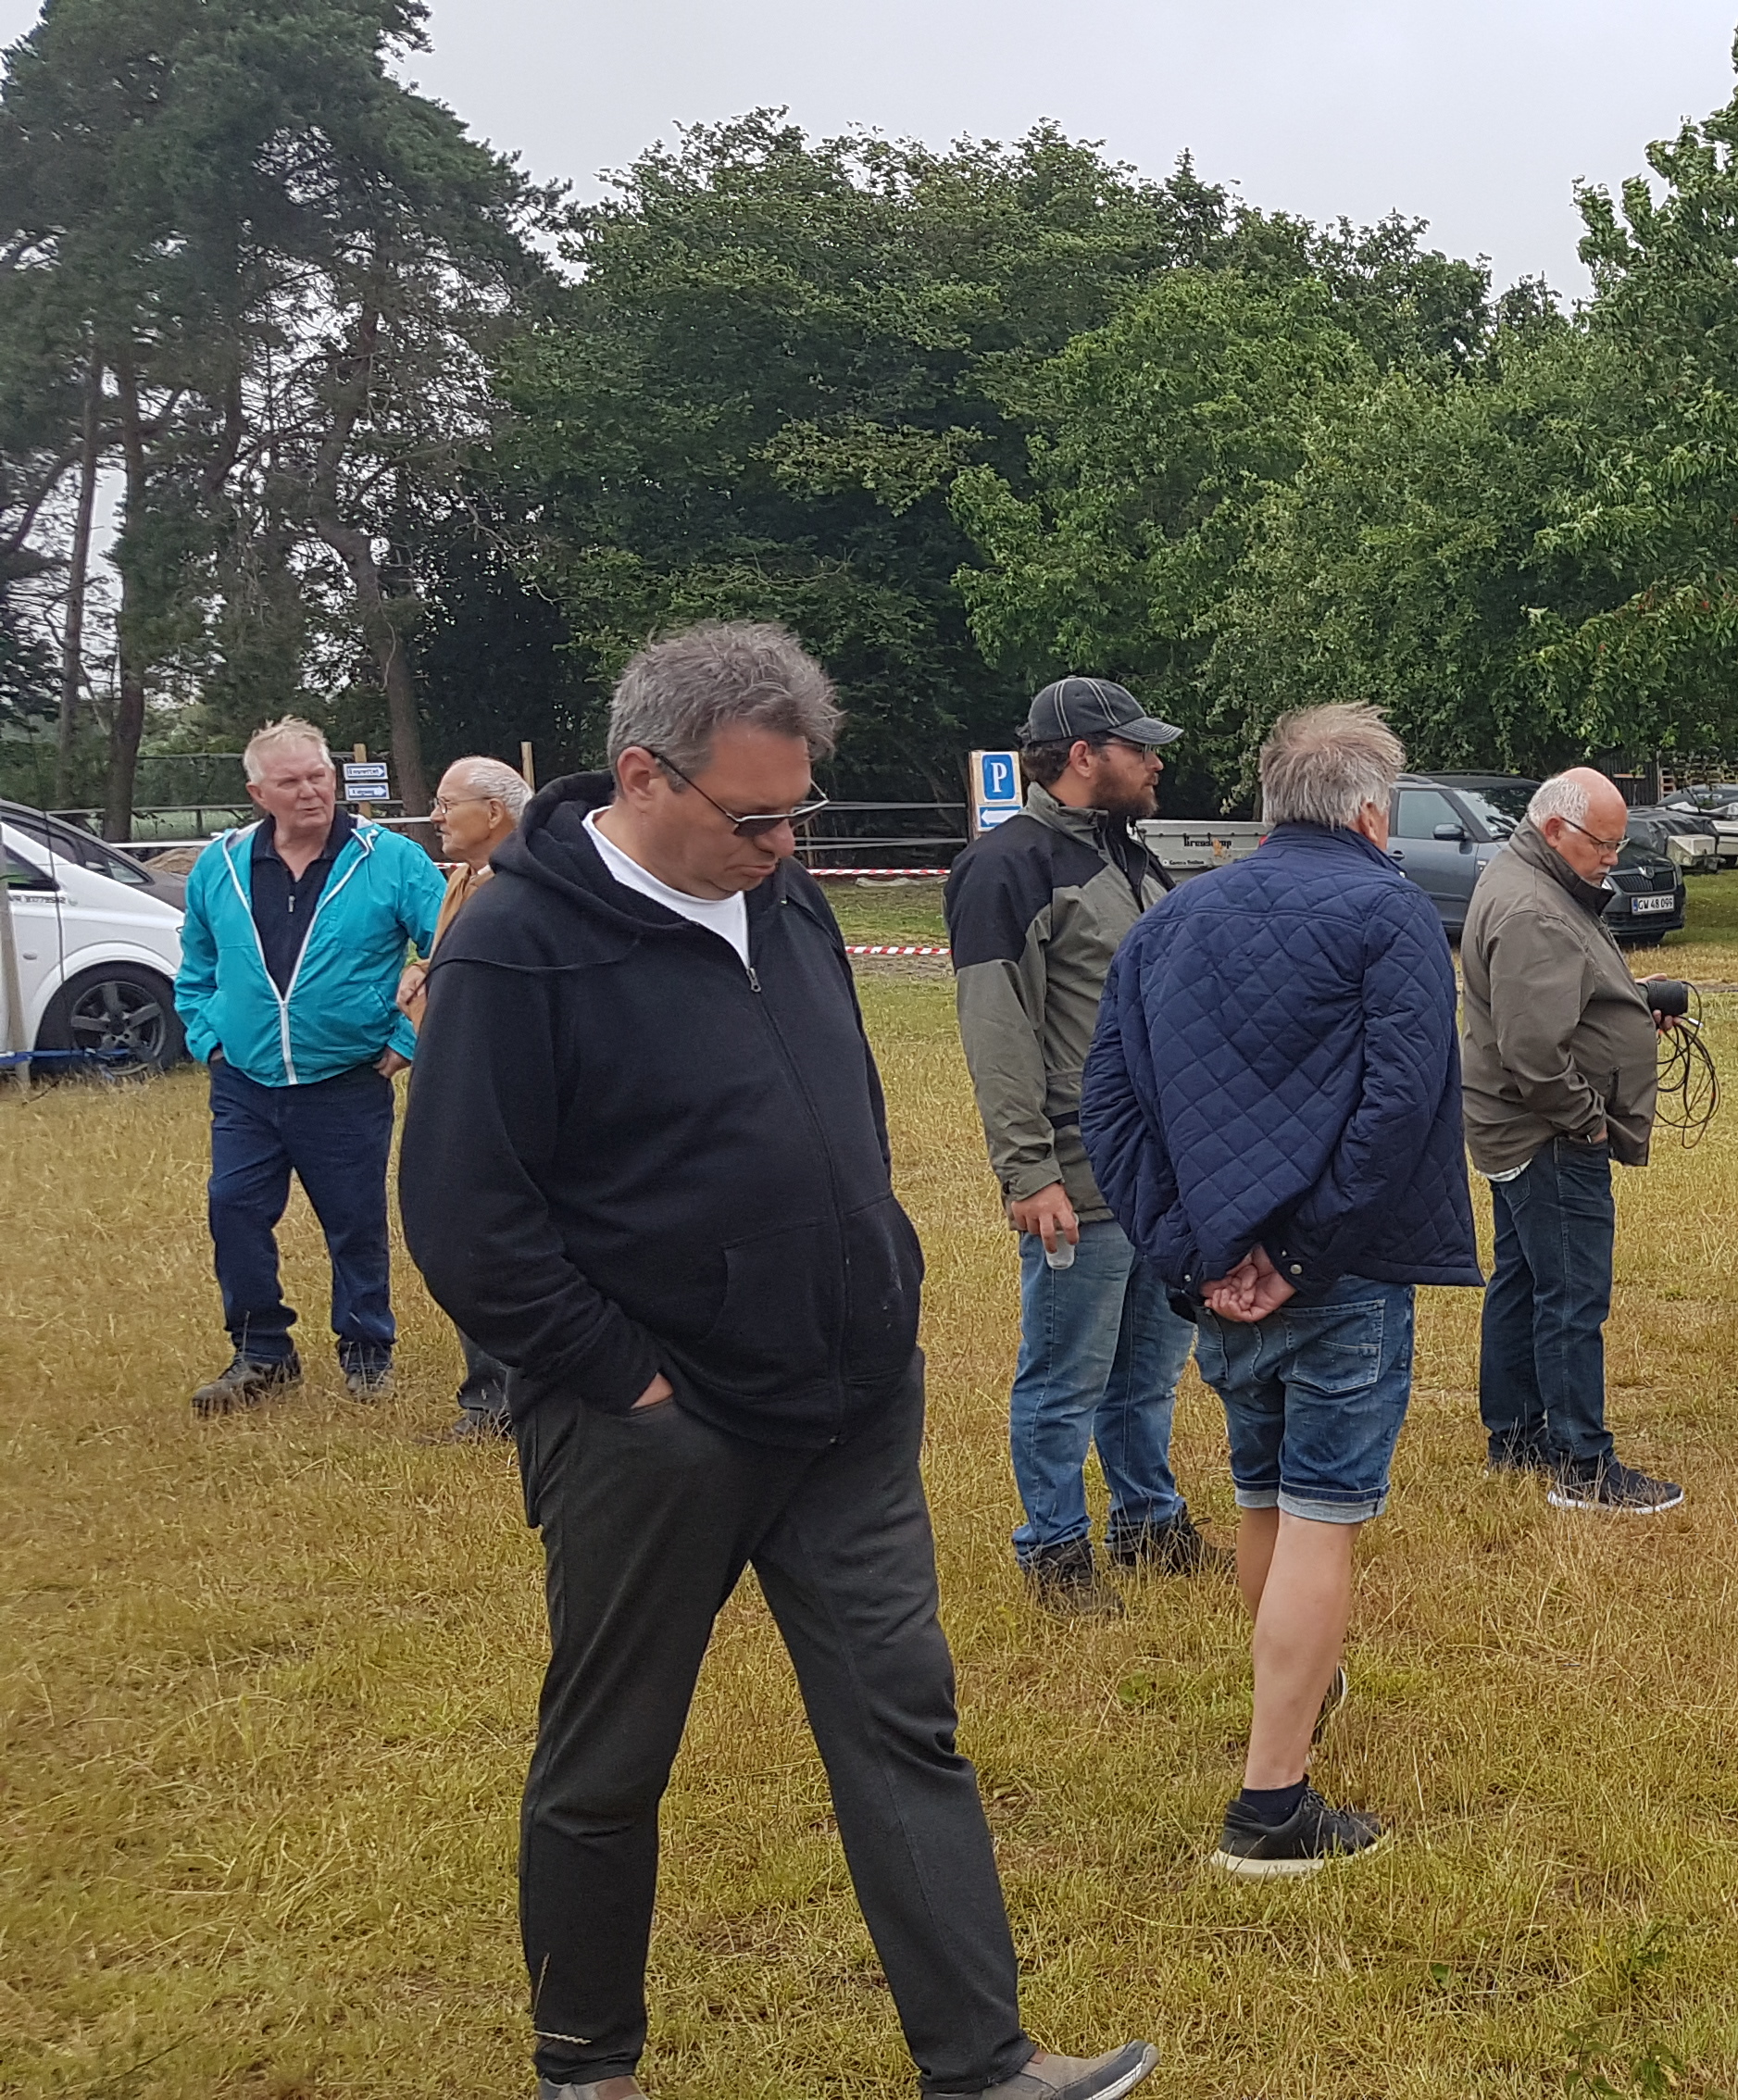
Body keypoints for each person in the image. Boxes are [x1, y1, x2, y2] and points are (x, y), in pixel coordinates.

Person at [399, 622, 1155, 2100]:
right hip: (652, 1430)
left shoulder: (785, 897)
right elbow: (467, 1220)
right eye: (755, 817)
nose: (785, 843)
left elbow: (843, 1107)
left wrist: (882, 1282)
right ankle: (587, 2067)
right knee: (611, 1754)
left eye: (797, 810)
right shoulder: (514, 946)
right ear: (642, 777)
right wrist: (629, 1385)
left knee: (904, 1727)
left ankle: (984, 2065)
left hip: (849, 1404)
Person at [1081, 701, 1479, 1878]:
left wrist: (1192, 1251)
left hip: (1225, 1268)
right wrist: (1295, 1257)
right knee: (1318, 1517)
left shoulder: (1170, 919)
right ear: (1374, 812)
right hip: (1334, 1275)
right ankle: (1271, 1806)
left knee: (1262, 1499)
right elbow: (1401, 1104)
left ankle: (1295, 1690)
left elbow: (1109, 1104)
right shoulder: (1391, 913)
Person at [946, 676, 1211, 1619]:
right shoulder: (1004, 867)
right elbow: (998, 1031)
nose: (1156, 761)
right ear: (1085, 755)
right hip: (1080, 1172)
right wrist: (1028, 1171)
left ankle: (1148, 1521)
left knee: (1149, 1372)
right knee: (1065, 1377)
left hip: (1162, 1175)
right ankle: (1054, 1549)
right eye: (1139, 746)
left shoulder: (1133, 858)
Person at [174, 716, 446, 1415]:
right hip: (246, 1081)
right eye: (291, 781)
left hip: (348, 1079)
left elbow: (450, 947)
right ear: (257, 793)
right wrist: (209, 1038)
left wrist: (407, 1040)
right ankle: (261, 1352)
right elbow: (196, 965)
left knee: (353, 1223)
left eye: (319, 776)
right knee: (232, 1209)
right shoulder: (220, 866)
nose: (310, 792)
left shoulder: (389, 859)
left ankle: (366, 1352)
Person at [1459, 768, 1692, 1513]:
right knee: (1571, 1297)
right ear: (1556, 829)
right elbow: (1534, 1052)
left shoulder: (1529, 878)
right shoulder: (1536, 908)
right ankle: (1584, 1467)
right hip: (1548, 1135)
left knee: (1523, 1281)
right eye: (1604, 844)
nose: (1613, 859)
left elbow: (1555, 998)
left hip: (1512, 1127)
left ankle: (1516, 1437)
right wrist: (1588, 1121)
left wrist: (1626, 1004)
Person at [403, 753, 534, 1441]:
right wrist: (425, 973)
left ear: (495, 812)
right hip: (459, 1082)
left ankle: (513, 1399)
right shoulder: (462, 879)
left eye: (447, 804)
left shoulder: (533, 886)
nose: (435, 816)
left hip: (507, 1092)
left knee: (500, 1240)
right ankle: (490, 1394)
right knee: (465, 1233)